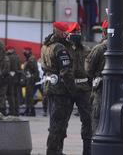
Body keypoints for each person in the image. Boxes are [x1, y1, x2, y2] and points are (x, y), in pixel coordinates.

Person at [86, 19, 123, 133]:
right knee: (122, 127)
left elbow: (88, 70)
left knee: (98, 128)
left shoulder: (98, 49)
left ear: (103, 32)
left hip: (101, 95)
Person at [40, 21, 76, 155]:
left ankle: (56, 150)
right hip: (61, 90)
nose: (67, 34)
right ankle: (53, 151)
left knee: (54, 120)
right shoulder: (60, 48)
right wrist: (73, 90)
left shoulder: (45, 46)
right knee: (59, 124)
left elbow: (44, 67)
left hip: (50, 87)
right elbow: (65, 72)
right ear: (60, 32)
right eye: (65, 32)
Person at [65, 22, 92, 155]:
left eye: (79, 32)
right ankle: (57, 149)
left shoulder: (87, 50)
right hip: (67, 88)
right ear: (68, 35)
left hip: (83, 88)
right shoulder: (64, 49)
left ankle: (87, 151)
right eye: (74, 33)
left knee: (87, 120)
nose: (77, 35)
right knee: (62, 120)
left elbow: (92, 68)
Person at [22, 47, 40, 116]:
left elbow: (35, 71)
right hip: (28, 79)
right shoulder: (29, 59)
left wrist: (32, 78)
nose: (24, 52)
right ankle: (27, 110)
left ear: (29, 51)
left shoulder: (31, 59)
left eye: (25, 51)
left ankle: (32, 111)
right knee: (27, 96)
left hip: (31, 80)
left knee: (29, 96)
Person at [5, 46, 21, 116]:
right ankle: (16, 111)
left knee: (10, 95)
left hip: (11, 78)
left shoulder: (10, 57)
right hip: (16, 78)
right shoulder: (17, 56)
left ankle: (12, 111)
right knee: (15, 95)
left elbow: (11, 68)